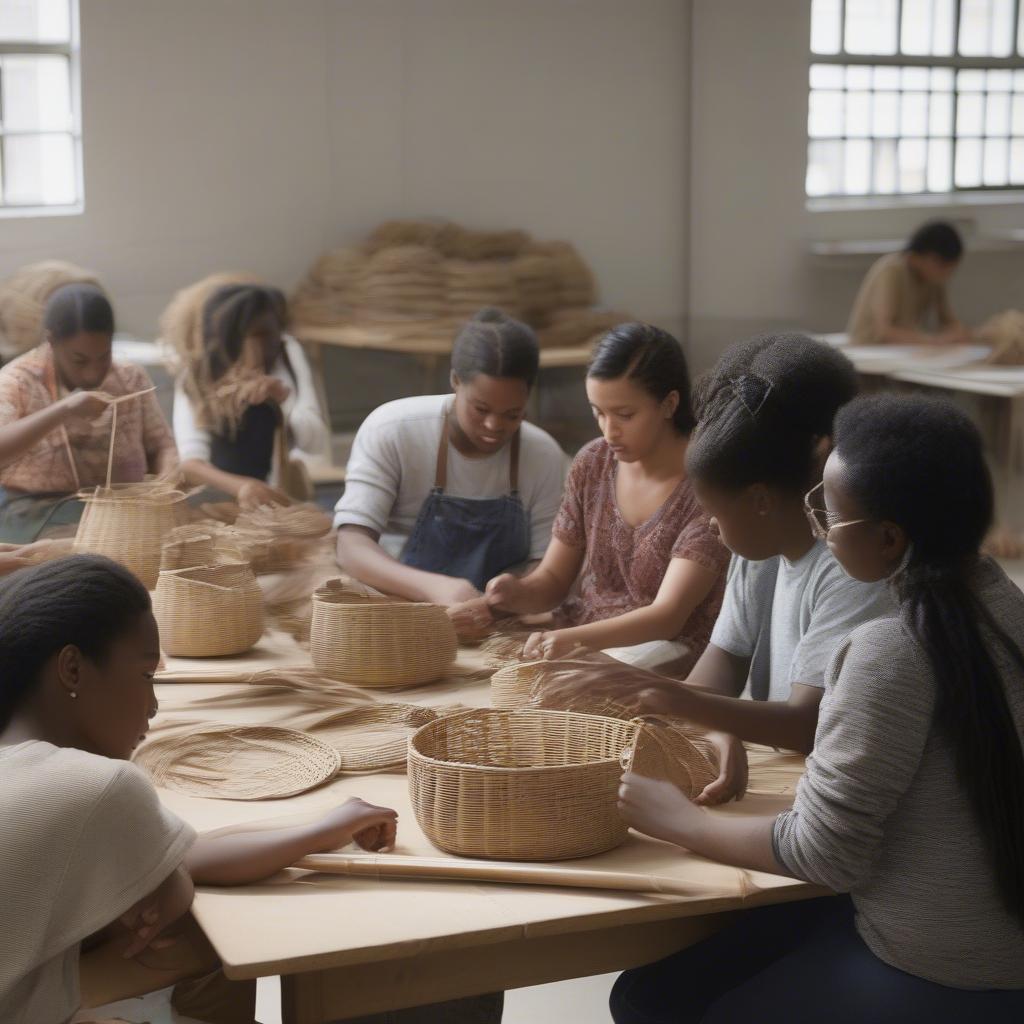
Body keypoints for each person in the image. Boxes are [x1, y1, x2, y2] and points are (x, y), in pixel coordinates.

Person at [609, 394, 1024, 1023]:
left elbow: (824, 853)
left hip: (944, 966)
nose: (818, 529)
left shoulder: (890, 651)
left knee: (649, 1006)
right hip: (992, 937)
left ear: (889, 539)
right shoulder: (1007, 606)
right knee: (656, 989)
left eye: (828, 516)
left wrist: (676, 821)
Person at [0, 555, 398, 1024]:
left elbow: (186, 857)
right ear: (72, 669)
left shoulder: (28, 767)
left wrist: (326, 825)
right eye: (147, 676)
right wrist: (173, 887)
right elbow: (181, 879)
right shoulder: (96, 787)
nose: (152, 706)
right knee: (223, 937)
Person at [537, 334, 894, 802]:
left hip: (824, 788)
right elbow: (722, 663)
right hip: (782, 771)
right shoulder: (756, 547)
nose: (708, 524)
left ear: (760, 500)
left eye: (715, 512)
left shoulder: (848, 571)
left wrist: (668, 695)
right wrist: (714, 726)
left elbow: (808, 722)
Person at [484, 323, 728, 676]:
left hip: (667, 654)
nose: (608, 430)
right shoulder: (593, 462)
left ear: (669, 404)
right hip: (582, 634)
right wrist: (516, 593)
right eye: (598, 412)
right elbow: (554, 577)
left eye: (625, 415)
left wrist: (573, 641)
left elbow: (668, 616)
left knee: (573, 685)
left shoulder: (707, 484)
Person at [335, 308, 566, 609]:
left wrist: (514, 594)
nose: (494, 426)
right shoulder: (393, 430)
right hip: (397, 610)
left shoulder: (544, 455)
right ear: (456, 381)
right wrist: (435, 589)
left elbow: (545, 565)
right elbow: (350, 545)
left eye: (512, 414)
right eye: (481, 409)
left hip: (495, 621)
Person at [0, 283, 177, 543]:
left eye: (104, 357)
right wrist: (63, 410)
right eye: (79, 361)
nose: (93, 373)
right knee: (92, 546)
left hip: (122, 507)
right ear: (51, 342)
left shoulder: (130, 377)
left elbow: (162, 445)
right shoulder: (17, 381)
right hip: (36, 513)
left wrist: (168, 476)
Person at [172, 282, 329, 510]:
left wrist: (282, 405)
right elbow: (191, 465)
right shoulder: (197, 376)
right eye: (244, 337)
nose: (255, 347)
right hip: (219, 505)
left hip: (278, 503)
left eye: (264, 335)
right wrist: (243, 487)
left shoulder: (286, 357)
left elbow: (315, 443)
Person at [846, 220, 970, 347]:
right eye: (943, 267)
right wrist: (935, 340)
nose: (947, 275)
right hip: (870, 348)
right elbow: (884, 331)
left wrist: (959, 332)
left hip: (902, 350)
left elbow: (948, 320)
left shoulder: (933, 278)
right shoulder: (892, 270)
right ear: (923, 257)